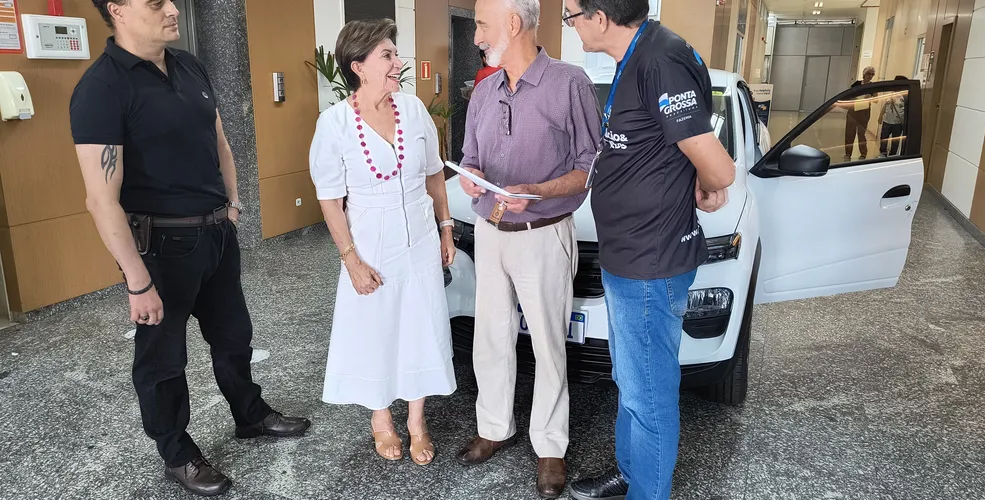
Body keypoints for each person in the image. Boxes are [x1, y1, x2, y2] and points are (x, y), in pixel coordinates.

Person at [70, 0, 310, 496]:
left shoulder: (188, 64)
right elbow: (100, 199)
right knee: (162, 360)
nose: (173, 9)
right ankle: (177, 453)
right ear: (116, 9)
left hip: (217, 233)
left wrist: (234, 204)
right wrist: (138, 282)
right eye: (156, 2)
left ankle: (250, 414)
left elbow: (220, 139)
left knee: (234, 336)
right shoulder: (101, 88)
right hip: (161, 246)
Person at [562, 1, 734, 499]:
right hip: (628, 256)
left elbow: (719, 169)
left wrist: (705, 183)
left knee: (650, 396)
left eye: (572, 14)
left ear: (600, 16)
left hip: (649, 263)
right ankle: (631, 472)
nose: (570, 25)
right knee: (631, 384)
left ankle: (647, 491)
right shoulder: (636, 57)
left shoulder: (660, 59)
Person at [454, 0, 600, 497]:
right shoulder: (484, 90)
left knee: (548, 344)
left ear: (513, 24)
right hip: (491, 232)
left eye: (481, 24)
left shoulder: (570, 83)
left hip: (545, 234)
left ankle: (550, 445)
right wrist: (473, 182)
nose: (475, 36)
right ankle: (494, 427)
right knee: (489, 339)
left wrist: (537, 191)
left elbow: (589, 166)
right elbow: (471, 158)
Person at [308, 18, 457, 466]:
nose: (399, 63)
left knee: (420, 324)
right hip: (370, 239)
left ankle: (416, 421)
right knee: (376, 327)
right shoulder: (333, 124)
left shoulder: (412, 110)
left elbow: (434, 173)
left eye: (395, 53)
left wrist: (446, 226)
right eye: (387, 56)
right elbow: (331, 200)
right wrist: (350, 258)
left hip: (419, 233)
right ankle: (381, 420)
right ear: (359, 67)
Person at [845, 66, 876, 161]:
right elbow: (849, 95)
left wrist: (870, 97)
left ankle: (863, 153)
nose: (870, 76)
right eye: (868, 74)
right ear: (864, 74)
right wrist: (854, 99)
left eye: (872, 74)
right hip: (853, 111)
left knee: (861, 134)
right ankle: (848, 153)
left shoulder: (872, 86)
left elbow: (876, 99)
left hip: (864, 112)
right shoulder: (856, 84)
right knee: (850, 133)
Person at [878, 75, 909, 157]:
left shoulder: (904, 96)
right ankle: (882, 154)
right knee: (884, 138)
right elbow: (885, 105)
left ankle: (892, 155)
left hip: (898, 123)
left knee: (895, 140)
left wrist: (905, 122)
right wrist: (880, 116)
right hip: (887, 121)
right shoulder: (890, 94)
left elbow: (906, 110)